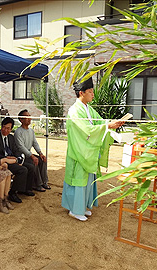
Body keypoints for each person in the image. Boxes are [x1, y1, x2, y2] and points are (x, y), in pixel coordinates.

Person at [61, 77, 124, 221]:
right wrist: (107, 126)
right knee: (78, 181)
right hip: (78, 151)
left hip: (87, 150)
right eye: (90, 92)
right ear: (81, 93)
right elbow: (86, 129)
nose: (93, 94)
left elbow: (99, 122)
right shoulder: (74, 110)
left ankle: (82, 207)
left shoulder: (88, 109)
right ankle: (74, 210)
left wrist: (112, 123)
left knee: (87, 181)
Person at [0, 117, 35, 203]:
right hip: (4, 161)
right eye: (4, 127)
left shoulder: (11, 137)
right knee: (22, 170)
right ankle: (12, 192)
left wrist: (17, 158)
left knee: (30, 166)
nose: (5, 130)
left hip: (13, 159)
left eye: (8, 128)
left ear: (11, 129)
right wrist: (7, 158)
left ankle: (25, 189)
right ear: (1, 126)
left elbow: (16, 150)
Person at [15, 109, 50, 192]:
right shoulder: (18, 132)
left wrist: (40, 153)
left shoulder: (31, 131)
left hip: (29, 154)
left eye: (29, 116)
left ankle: (44, 181)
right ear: (21, 120)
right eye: (26, 117)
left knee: (42, 160)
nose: (29, 118)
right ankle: (37, 184)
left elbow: (35, 143)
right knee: (34, 161)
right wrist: (32, 156)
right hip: (22, 156)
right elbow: (21, 147)